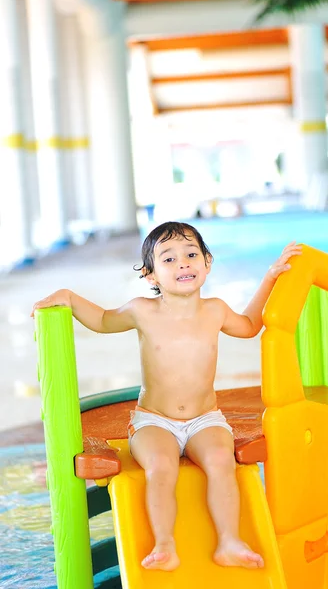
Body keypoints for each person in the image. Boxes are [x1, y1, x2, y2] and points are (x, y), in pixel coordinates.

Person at [31, 221, 301, 572]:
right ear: (151, 275)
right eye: (169, 259)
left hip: (206, 418)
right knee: (161, 466)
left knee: (223, 462)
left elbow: (250, 325)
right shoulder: (143, 311)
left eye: (191, 255)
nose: (183, 264)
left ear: (207, 261)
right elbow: (100, 319)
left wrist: (270, 277)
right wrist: (68, 296)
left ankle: (229, 542)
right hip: (154, 420)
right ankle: (165, 544)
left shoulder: (215, 310)